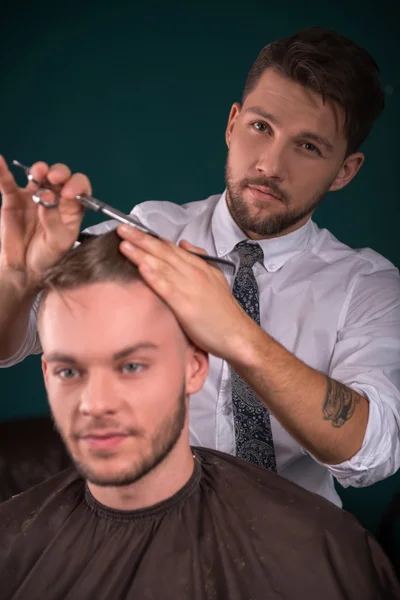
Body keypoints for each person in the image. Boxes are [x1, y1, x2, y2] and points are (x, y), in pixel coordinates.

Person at [0, 27, 399, 507]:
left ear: (345, 171)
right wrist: (18, 279)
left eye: (308, 147)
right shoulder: (146, 235)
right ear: (232, 124)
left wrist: (234, 332)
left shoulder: (367, 287)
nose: (270, 164)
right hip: (151, 541)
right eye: (261, 127)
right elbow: (13, 343)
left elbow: (371, 453)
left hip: (294, 557)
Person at [0, 229, 399, 600]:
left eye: (132, 366)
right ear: (47, 375)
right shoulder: (12, 547)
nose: (96, 403)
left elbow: (372, 448)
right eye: (70, 371)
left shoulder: (318, 559)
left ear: (195, 367)